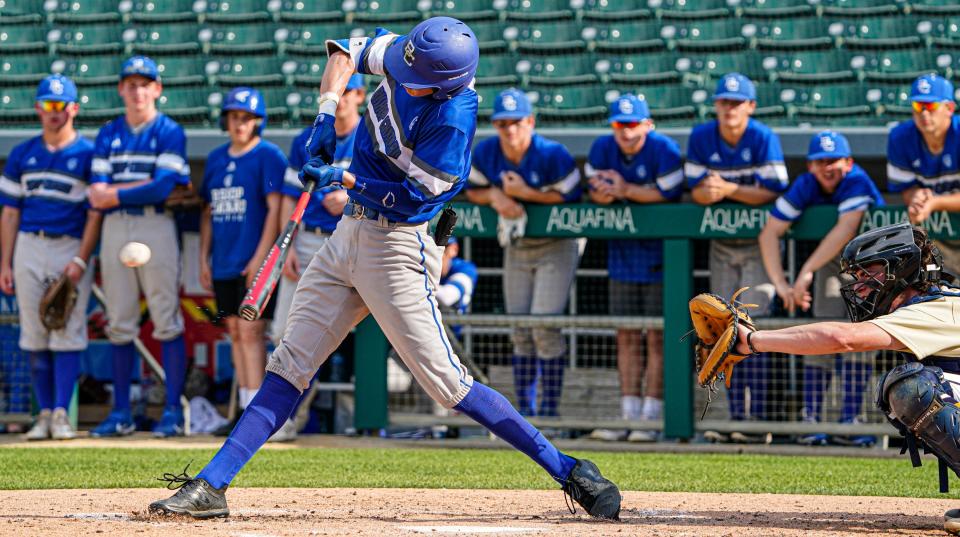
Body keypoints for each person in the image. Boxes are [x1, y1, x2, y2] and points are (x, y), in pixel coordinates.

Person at [149, 17, 620, 520]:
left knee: (449, 386)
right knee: (290, 361)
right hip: (348, 235)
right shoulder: (409, 52)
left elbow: (409, 199)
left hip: (398, 248)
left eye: (412, 77)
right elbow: (342, 54)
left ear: (446, 86)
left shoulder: (454, 122)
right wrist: (325, 118)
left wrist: (344, 176)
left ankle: (569, 470)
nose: (398, 76)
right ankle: (212, 485)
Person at [723, 222, 960, 535]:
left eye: (867, 274)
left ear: (899, 270)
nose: (859, 286)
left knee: (913, 388)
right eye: (857, 277)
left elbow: (841, 339)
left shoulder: (931, 311)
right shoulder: (939, 302)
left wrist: (752, 341)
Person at [758, 130, 884, 446]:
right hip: (832, 264)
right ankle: (810, 417)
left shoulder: (856, 179)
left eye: (833, 160)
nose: (827, 167)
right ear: (810, 166)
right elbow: (769, 233)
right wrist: (782, 285)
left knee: (862, 338)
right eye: (819, 161)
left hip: (873, 265)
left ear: (849, 162)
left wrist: (805, 271)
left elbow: (846, 229)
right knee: (821, 333)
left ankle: (851, 420)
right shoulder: (807, 183)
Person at [86, 56, 191, 437]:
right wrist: (114, 196)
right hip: (115, 227)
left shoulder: (168, 130)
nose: (137, 90)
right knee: (119, 322)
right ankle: (120, 413)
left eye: (145, 83)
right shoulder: (109, 131)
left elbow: (161, 187)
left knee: (166, 318)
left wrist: (113, 193)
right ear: (121, 89)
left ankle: (172, 412)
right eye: (130, 84)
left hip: (155, 223)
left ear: (157, 89)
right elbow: (95, 193)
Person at [465, 88, 582, 419]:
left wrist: (525, 193)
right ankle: (524, 415)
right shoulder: (487, 151)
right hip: (516, 245)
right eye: (503, 124)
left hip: (555, 246)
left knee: (544, 328)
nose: (510, 130)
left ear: (530, 122)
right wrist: (495, 196)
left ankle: (549, 414)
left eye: (516, 123)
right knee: (519, 329)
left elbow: (571, 196)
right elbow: (468, 187)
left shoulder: (552, 153)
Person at [686, 72, 789, 442]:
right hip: (722, 244)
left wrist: (728, 188)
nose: (729, 108)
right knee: (721, 330)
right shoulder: (701, 136)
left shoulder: (762, 136)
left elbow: (775, 190)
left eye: (736, 102)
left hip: (758, 245)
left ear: (750, 106)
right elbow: (693, 190)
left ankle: (758, 419)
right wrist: (708, 193)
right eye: (723, 102)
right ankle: (733, 418)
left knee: (757, 329)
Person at [0, 74, 101, 440]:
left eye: (60, 105)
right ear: (37, 108)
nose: (53, 112)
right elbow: (9, 213)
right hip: (29, 244)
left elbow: (94, 213)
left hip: (68, 246)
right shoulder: (23, 153)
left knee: (67, 331)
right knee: (35, 332)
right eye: (47, 105)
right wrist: (5, 263)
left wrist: (81, 259)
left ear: (73, 108)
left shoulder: (88, 153)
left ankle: (61, 413)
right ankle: (43, 413)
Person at [267, 74, 365, 442]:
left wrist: (354, 195)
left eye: (347, 92)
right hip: (308, 242)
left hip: (356, 239)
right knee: (285, 333)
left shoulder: (370, 136)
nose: (340, 99)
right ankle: (286, 418)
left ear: (359, 95)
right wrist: (286, 245)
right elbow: (291, 198)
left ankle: (398, 421)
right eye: (335, 93)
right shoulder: (306, 139)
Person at [584, 94, 682, 443]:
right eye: (619, 125)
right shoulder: (602, 148)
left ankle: (651, 416)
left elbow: (670, 194)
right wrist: (605, 193)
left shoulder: (664, 148)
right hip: (622, 253)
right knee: (625, 335)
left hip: (662, 254)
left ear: (647, 124)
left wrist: (626, 189)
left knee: (657, 337)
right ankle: (627, 414)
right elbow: (594, 190)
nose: (625, 132)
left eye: (632, 125)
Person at [200, 87, 284, 438]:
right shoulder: (217, 158)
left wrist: (262, 259)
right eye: (235, 117)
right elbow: (208, 211)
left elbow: (275, 209)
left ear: (258, 122)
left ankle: (256, 414)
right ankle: (245, 409)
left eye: (247, 118)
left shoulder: (268, 155)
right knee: (235, 332)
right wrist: (204, 257)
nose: (240, 124)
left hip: (253, 260)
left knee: (252, 332)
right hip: (223, 258)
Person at [888, 73, 960, 276]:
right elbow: (907, 187)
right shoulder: (900, 137)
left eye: (931, 106)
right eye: (919, 106)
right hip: (938, 238)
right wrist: (916, 199)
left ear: (949, 108)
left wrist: (934, 202)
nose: (924, 114)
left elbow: (934, 202)